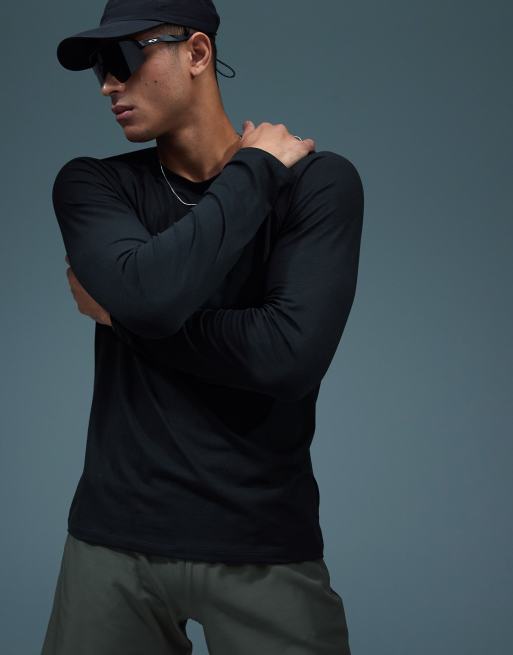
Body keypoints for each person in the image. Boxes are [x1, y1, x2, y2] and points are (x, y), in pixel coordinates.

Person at [41, 1, 364, 653]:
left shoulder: (318, 184)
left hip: (262, 545)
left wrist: (121, 315)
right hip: (113, 548)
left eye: (122, 58)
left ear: (195, 53)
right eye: (99, 68)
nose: (108, 84)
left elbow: (287, 358)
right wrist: (255, 170)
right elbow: (152, 298)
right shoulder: (92, 185)